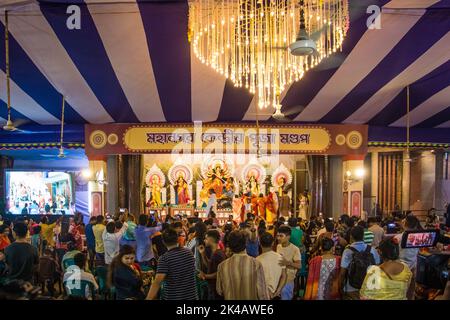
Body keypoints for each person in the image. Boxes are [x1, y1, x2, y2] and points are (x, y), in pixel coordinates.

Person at [147, 228, 198, 300]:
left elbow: (157, 283)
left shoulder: (164, 259)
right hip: (192, 297)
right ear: (177, 239)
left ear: (163, 242)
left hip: (174, 297)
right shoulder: (188, 253)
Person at [216, 230, 268, 300]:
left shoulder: (222, 266)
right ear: (245, 244)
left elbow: (219, 291)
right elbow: (262, 293)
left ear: (230, 247)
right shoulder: (256, 264)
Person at [339, 225, 380, 300]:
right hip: (368, 287)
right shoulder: (372, 250)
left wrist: (340, 288)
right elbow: (377, 268)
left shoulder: (347, 251)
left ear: (351, 236)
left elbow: (342, 273)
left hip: (351, 288)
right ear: (363, 236)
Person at [257, 232, 287, 299]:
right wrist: (278, 291)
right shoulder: (280, 257)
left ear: (260, 243)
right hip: (276, 294)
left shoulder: (257, 260)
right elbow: (284, 276)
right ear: (273, 243)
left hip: (262, 295)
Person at [198, 229, 226, 300]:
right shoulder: (215, 252)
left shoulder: (218, 254)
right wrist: (203, 254)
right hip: (212, 287)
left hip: (216, 289)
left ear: (211, 240)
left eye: (206, 239)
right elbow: (209, 266)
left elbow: (219, 273)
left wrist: (205, 276)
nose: (204, 240)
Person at [276, 225, 301, 300]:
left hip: (288, 280)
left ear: (288, 237)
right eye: (277, 236)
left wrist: (288, 263)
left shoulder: (295, 249)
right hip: (279, 279)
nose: (278, 238)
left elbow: (299, 265)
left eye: (281, 236)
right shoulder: (278, 246)